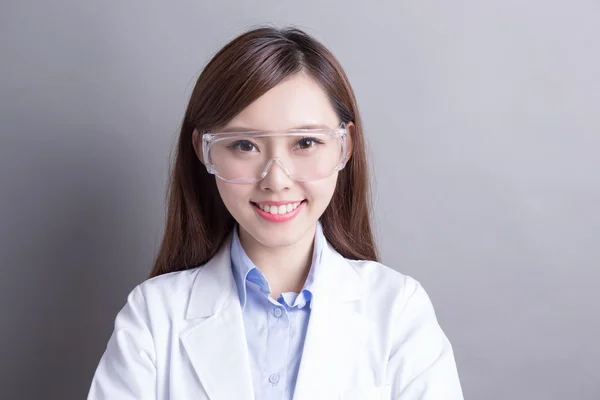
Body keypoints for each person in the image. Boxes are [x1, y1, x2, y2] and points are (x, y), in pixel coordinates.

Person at [87, 26, 464, 400]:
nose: (277, 180)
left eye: (305, 142)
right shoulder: (154, 315)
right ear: (205, 152)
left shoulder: (398, 310)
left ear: (345, 146)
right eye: (245, 145)